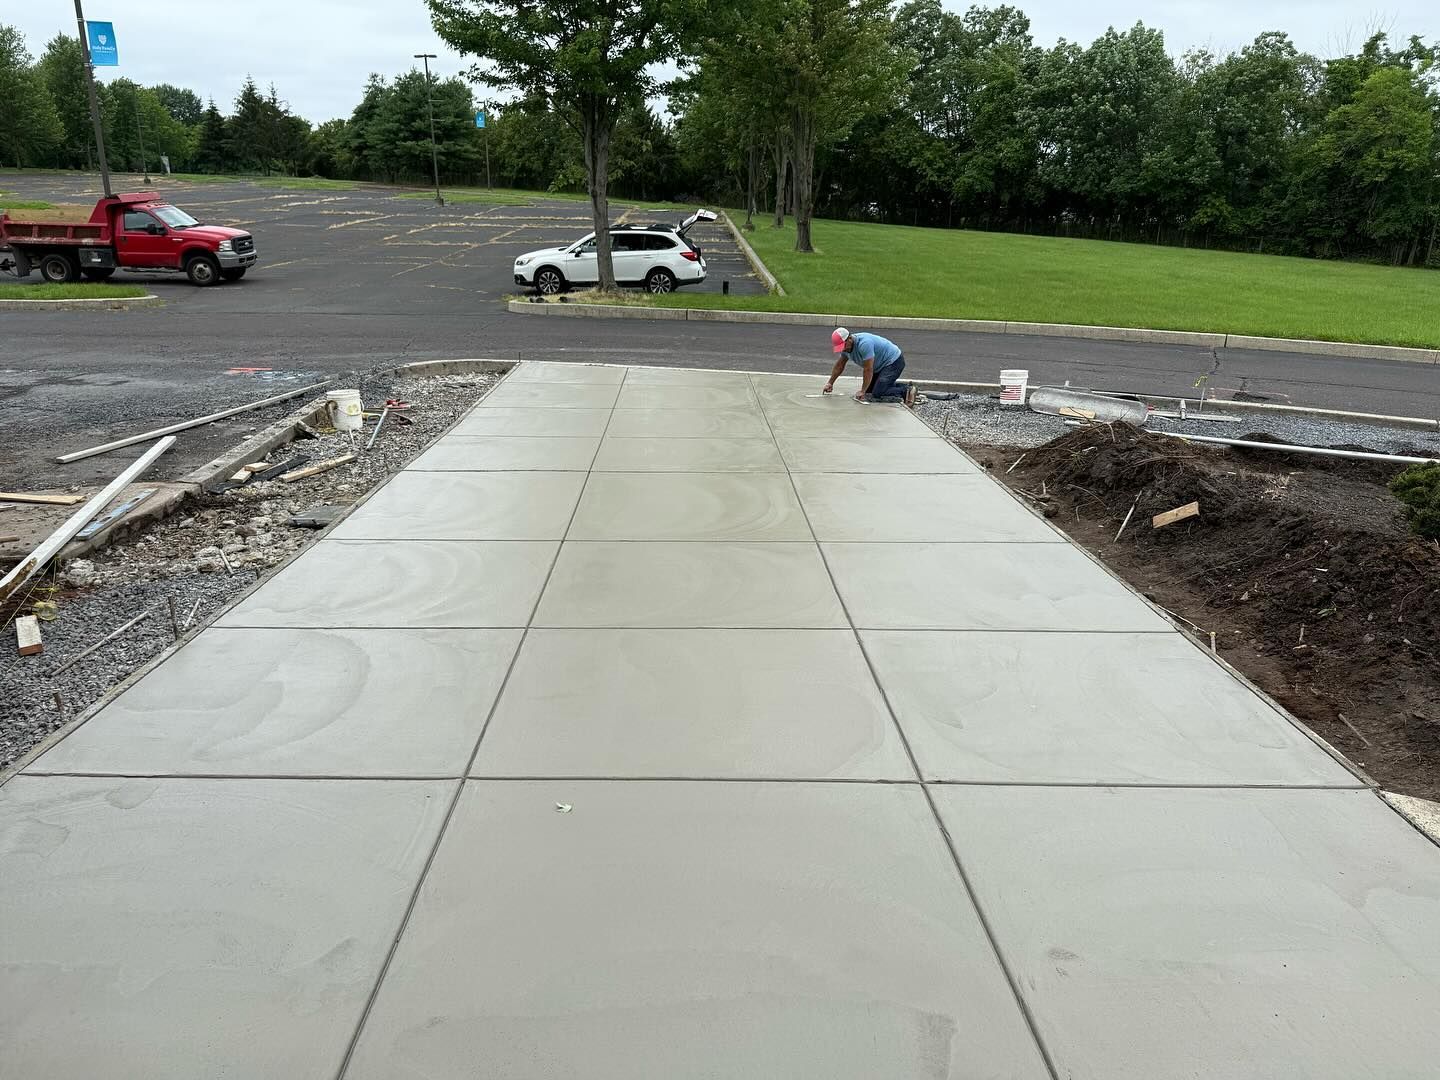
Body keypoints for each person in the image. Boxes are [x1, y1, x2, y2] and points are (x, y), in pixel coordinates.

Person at [823, 327, 918, 406]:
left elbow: (868, 369)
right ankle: (891, 385)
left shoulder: (864, 344)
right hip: (879, 366)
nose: (843, 349)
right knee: (870, 392)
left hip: (893, 362)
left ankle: (907, 390)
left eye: (843, 346)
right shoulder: (846, 349)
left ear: (850, 339)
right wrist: (830, 383)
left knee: (878, 393)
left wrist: (862, 391)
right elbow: (840, 365)